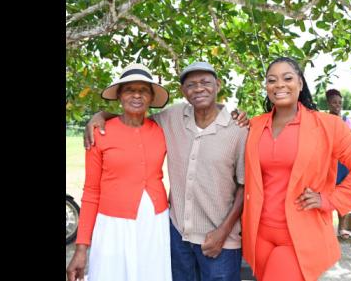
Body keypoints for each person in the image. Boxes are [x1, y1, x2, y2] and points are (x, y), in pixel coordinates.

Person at [84, 61, 248, 281]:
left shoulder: (238, 129)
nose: (199, 88)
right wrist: (101, 115)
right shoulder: (172, 117)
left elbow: (244, 185)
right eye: (191, 84)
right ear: (183, 91)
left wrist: (223, 231)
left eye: (205, 82)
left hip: (209, 236)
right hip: (174, 235)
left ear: (218, 84)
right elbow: (132, 121)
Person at [241, 57, 351, 281]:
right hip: (259, 233)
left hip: (300, 235)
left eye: (287, 78)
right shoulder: (254, 125)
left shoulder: (328, 126)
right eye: (271, 80)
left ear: (300, 83)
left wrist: (330, 200)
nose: (279, 85)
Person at [66, 63, 173, 281]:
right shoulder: (100, 133)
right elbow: (91, 191)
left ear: (151, 97)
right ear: (119, 96)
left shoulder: (161, 131)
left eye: (143, 90)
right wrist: (81, 248)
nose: (136, 95)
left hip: (154, 223)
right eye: (129, 90)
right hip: (112, 225)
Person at [325, 88, 351, 240]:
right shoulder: (324, 120)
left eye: (340, 103)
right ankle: (326, 228)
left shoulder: (347, 121)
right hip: (329, 164)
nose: (337, 105)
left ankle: (341, 228)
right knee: (327, 195)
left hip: (344, 164)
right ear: (328, 104)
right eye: (334, 103)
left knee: (342, 196)